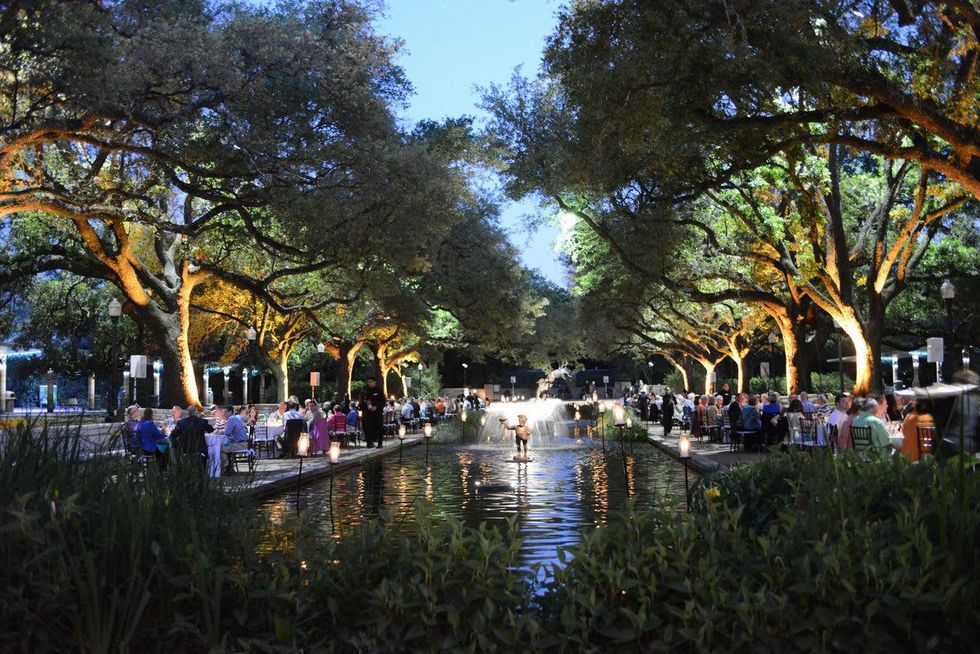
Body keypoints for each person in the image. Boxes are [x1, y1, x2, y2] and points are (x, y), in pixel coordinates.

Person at [220, 405, 249, 472]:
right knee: (227, 446)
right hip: (243, 442)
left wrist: (219, 431)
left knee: (221, 449)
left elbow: (227, 432)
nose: (224, 414)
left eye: (225, 412)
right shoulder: (235, 418)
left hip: (241, 444)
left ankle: (227, 467)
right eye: (223, 412)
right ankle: (230, 467)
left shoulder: (231, 419)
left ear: (230, 412)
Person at [362, 377, 385, 448]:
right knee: (368, 427)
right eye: (368, 382)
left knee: (379, 427)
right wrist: (368, 405)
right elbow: (364, 400)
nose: (369, 383)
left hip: (377, 412)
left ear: (374, 382)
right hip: (368, 413)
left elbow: (382, 401)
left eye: (371, 382)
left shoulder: (379, 390)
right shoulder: (366, 390)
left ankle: (380, 443)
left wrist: (376, 407)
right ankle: (369, 442)